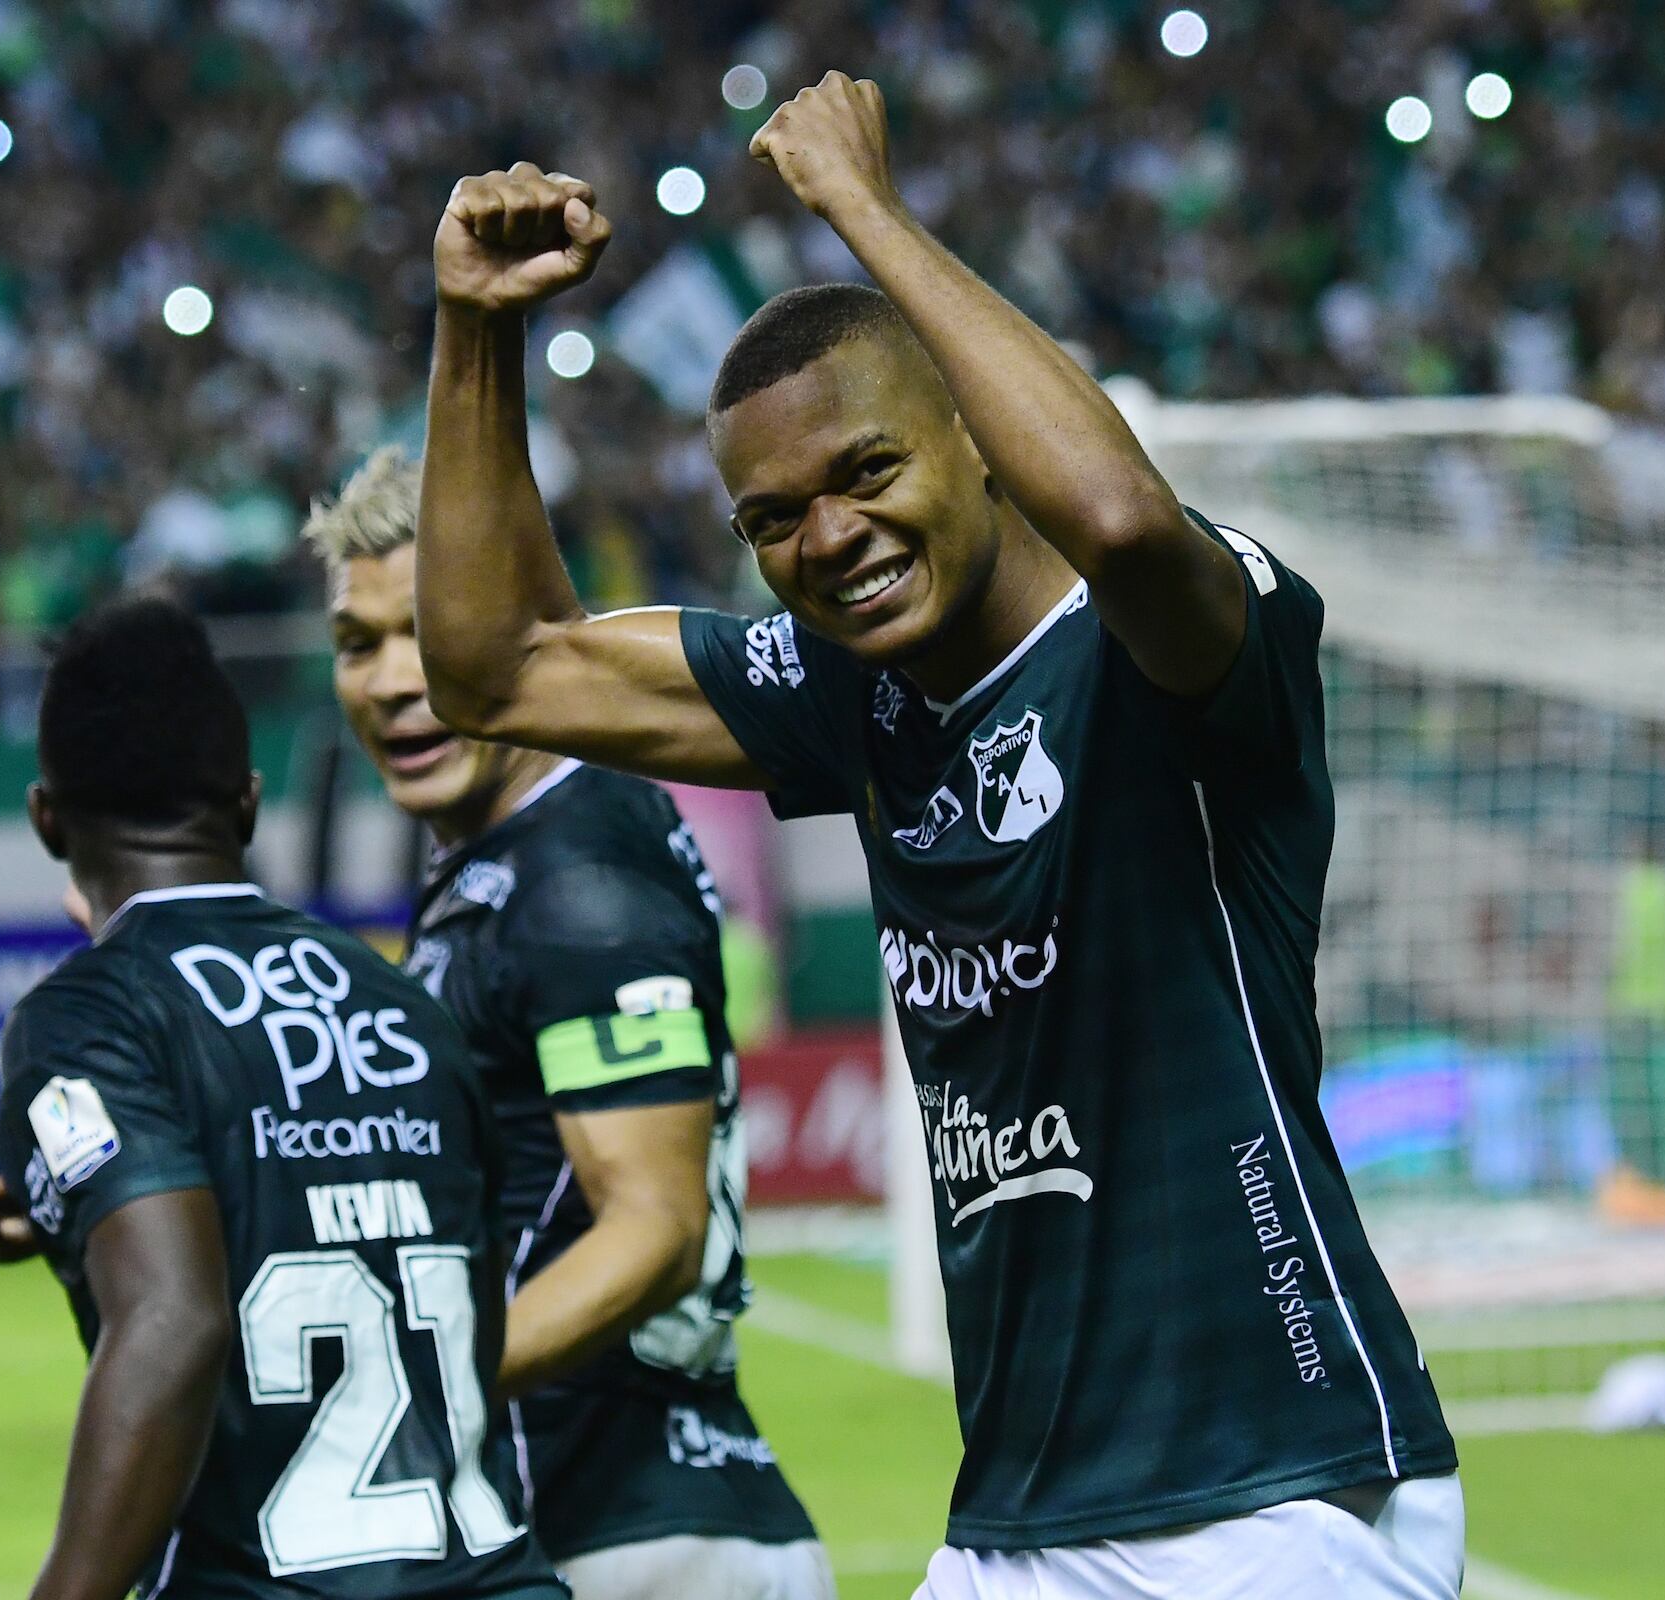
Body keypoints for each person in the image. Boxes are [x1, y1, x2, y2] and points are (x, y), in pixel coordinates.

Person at [414, 72, 1462, 1600]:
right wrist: (474, 328)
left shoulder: (1180, 640)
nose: (826, 539)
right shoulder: (857, 697)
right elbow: (496, 667)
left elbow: (1114, 517)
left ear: (976, 436)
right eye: (774, 519)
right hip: (1023, 1516)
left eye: (868, 470)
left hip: (1275, 1494)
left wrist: (866, 212)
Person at [304, 446, 832, 1600]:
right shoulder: (506, 866)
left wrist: (396, 1389)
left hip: (639, 1539)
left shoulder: (578, 873)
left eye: (424, 633)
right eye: (359, 645)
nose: (396, 680)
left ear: (500, 630)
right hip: (595, 1523)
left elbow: (652, 1229)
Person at [0, 596, 563, 1600]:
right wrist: (94, 1211)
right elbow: (448, 1262)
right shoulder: (404, 1001)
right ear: (246, 804)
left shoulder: (88, 1015)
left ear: (47, 820)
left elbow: (173, 1315)